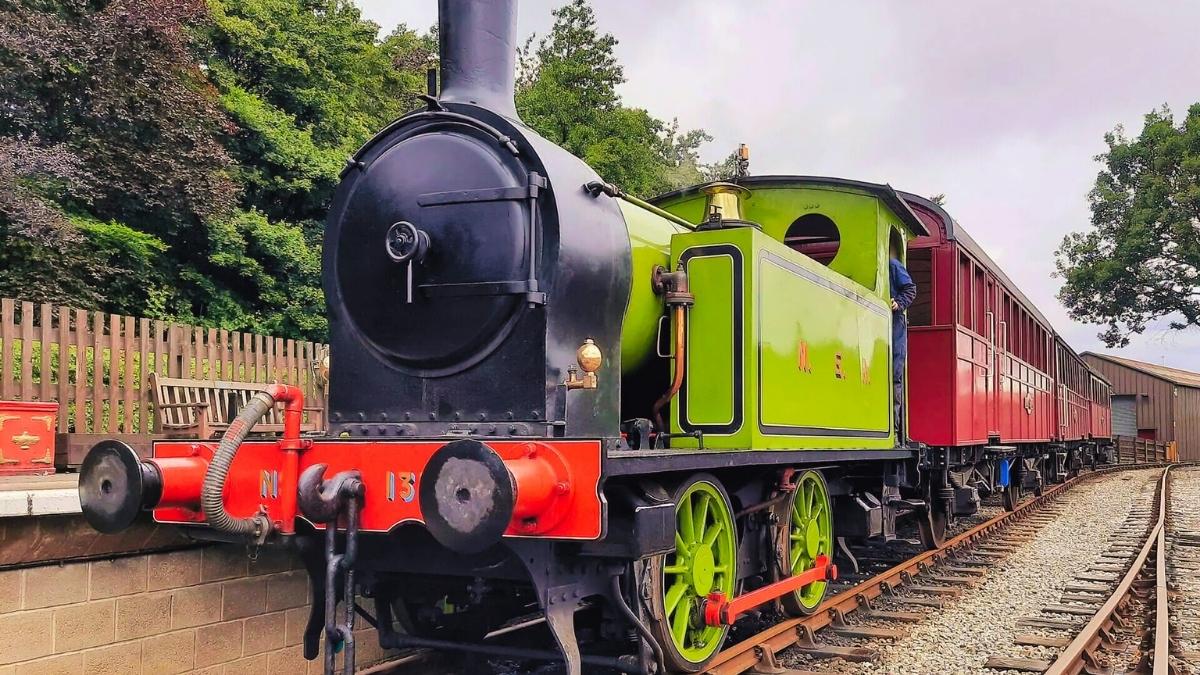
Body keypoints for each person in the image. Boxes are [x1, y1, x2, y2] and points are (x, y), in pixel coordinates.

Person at [889, 239, 917, 437]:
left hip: (895, 325)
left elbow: (910, 289)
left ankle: (896, 427)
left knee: (894, 375)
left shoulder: (892, 266)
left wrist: (898, 303)